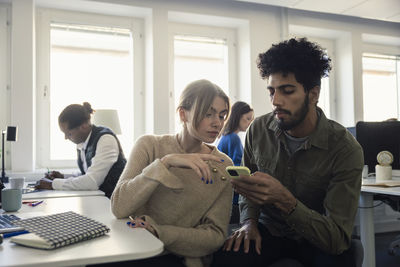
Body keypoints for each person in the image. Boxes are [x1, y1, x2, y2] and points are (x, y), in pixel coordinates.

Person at [212, 38, 364, 267]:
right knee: (225, 259)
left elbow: (336, 238)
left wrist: (286, 201)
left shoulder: (345, 149)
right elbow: (248, 189)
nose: (275, 101)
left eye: (287, 91)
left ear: (313, 94)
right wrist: (248, 222)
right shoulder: (259, 130)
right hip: (269, 230)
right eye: (271, 91)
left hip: (318, 237)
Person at [110, 80, 234, 267]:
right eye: (208, 114)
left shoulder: (223, 165)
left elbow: (215, 236)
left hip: (179, 257)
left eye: (222, 116)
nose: (217, 123)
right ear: (183, 114)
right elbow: (119, 206)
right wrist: (165, 163)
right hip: (132, 247)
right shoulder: (149, 146)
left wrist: (159, 232)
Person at [35, 102, 127, 198]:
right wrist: (63, 177)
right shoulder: (83, 142)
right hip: (98, 199)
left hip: (114, 202)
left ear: (83, 126)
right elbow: (87, 174)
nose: (66, 138)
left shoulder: (105, 139)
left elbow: (91, 182)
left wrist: (52, 184)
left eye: (69, 133)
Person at [217, 101, 254, 221]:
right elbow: (237, 169)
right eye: (248, 118)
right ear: (238, 116)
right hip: (233, 199)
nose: (250, 123)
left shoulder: (225, 137)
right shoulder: (233, 139)